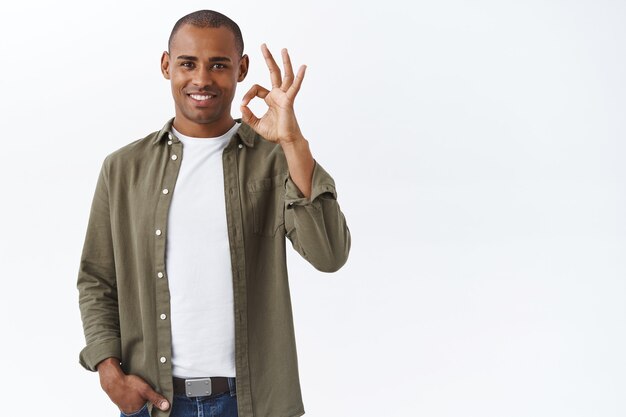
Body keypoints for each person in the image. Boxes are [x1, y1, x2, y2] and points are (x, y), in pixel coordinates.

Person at [76, 9, 351, 417]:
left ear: (241, 69)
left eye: (218, 65)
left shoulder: (277, 159)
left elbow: (329, 255)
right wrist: (108, 370)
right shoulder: (123, 169)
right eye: (188, 63)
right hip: (154, 402)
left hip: (254, 402)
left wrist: (293, 141)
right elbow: (97, 279)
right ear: (167, 65)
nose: (202, 79)